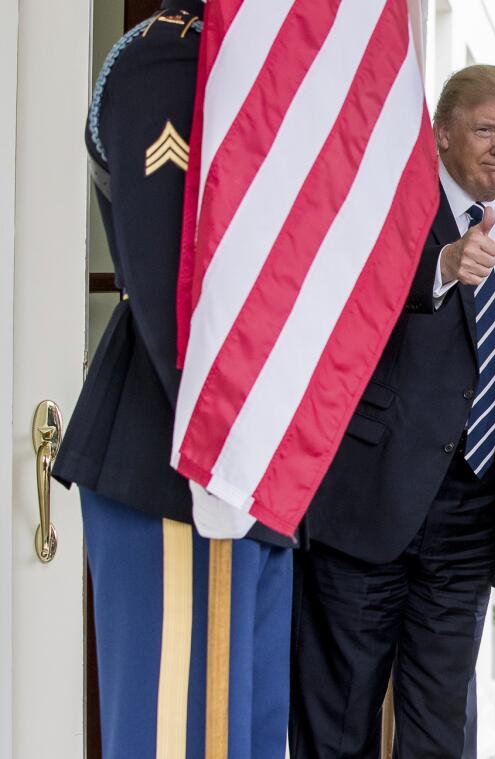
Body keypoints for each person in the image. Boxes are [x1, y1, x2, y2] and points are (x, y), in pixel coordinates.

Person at [290, 64, 495, 759]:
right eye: (486, 129)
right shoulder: (380, 208)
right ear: (443, 133)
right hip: (369, 505)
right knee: (340, 718)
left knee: (441, 725)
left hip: (471, 514)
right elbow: (343, 313)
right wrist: (440, 267)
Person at [52, 2, 295, 756]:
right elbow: (169, 286)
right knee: (175, 736)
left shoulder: (255, 61)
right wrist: (228, 445)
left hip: (256, 460)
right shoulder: (171, 60)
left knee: (245, 735)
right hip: (179, 448)